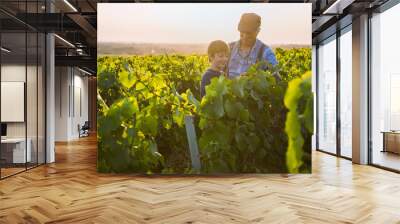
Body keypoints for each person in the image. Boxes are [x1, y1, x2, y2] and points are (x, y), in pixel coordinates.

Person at [227, 13, 278, 78]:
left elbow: (276, 76)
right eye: (242, 32)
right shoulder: (229, 48)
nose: (245, 36)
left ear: (258, 31)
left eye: (249, 33)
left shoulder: (266, 52)